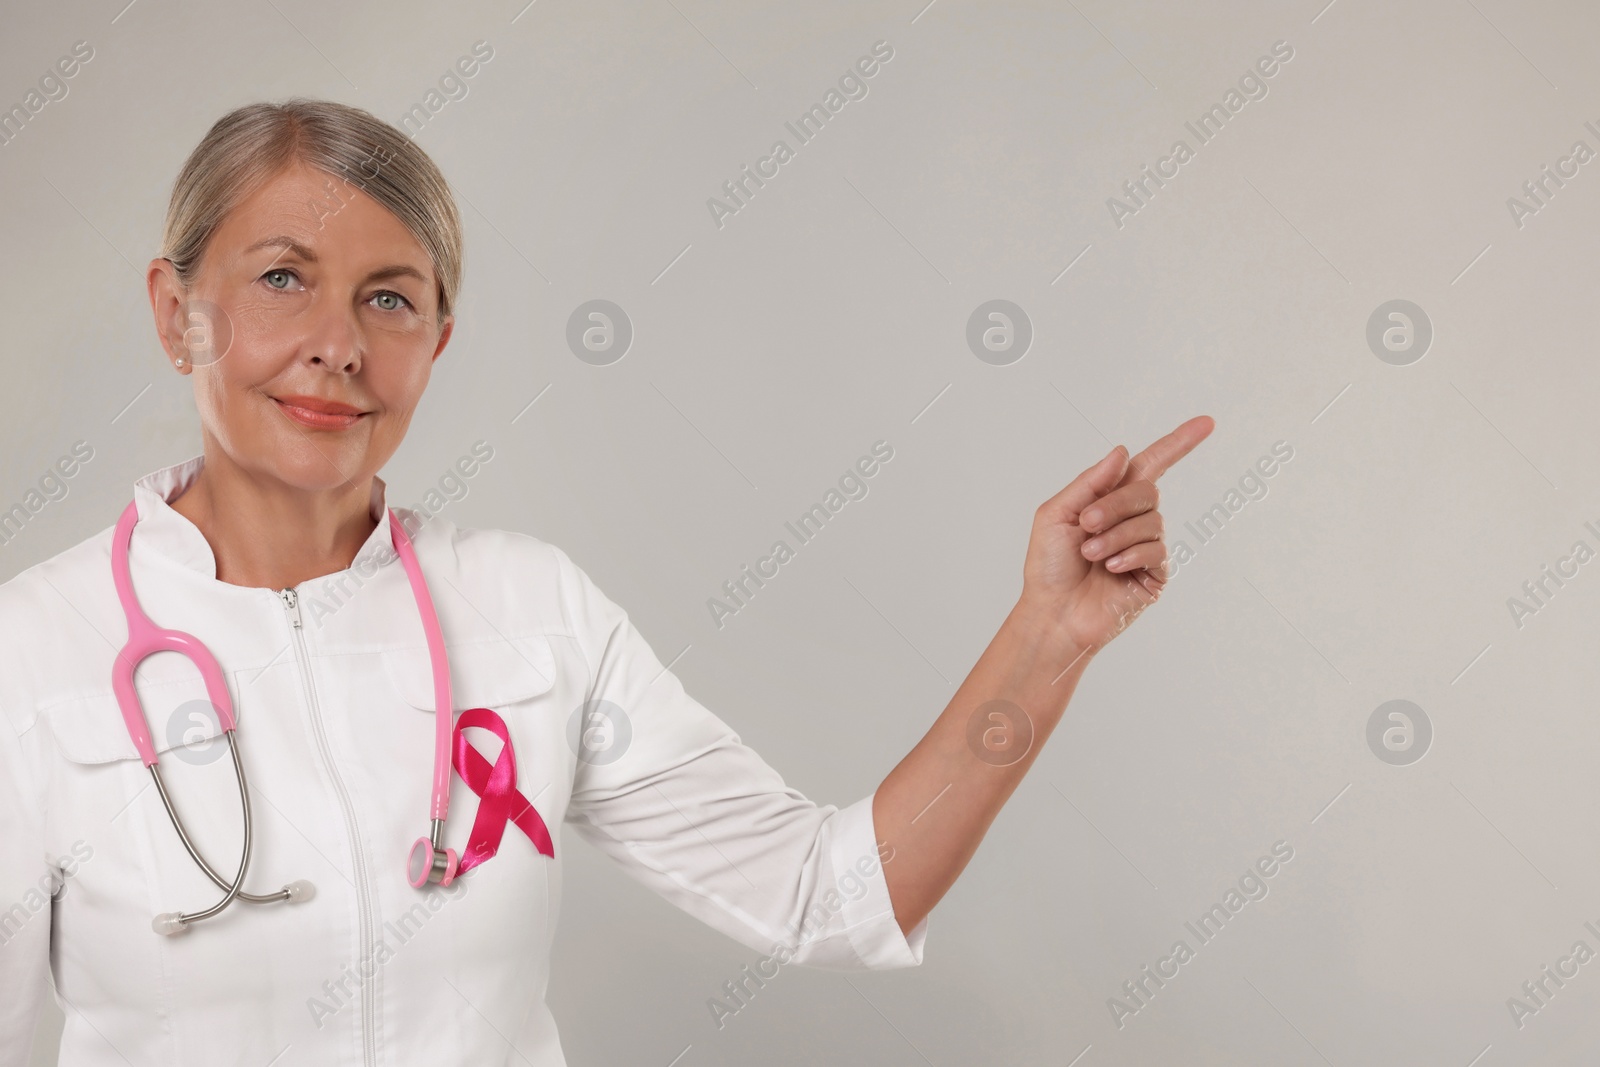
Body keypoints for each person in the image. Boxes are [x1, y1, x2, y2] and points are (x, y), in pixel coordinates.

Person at [0, 98, 1211, 1065]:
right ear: (177, 314)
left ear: (436, 342)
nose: (339, 342)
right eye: (281, 278)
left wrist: (1049, 634)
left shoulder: (530, 610)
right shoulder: (33, 647)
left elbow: (823, 896)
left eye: (390, 297)